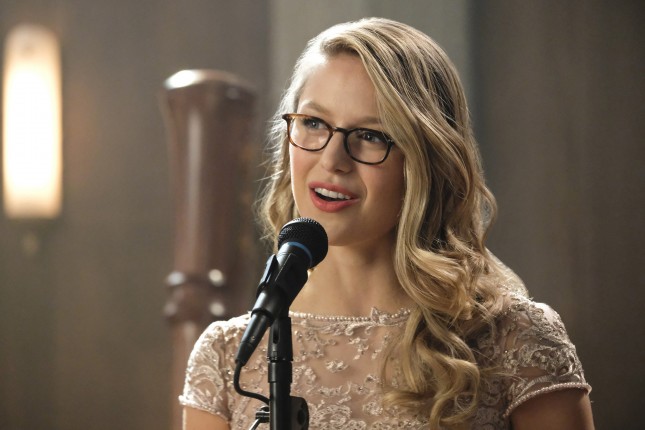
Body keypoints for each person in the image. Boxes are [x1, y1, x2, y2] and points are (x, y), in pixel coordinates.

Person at [180, 17, 594, 429]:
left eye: (370, 135)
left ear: (427, 160)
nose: (332, 160)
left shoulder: (513, 340)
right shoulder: (225, 358)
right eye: (313, 123)